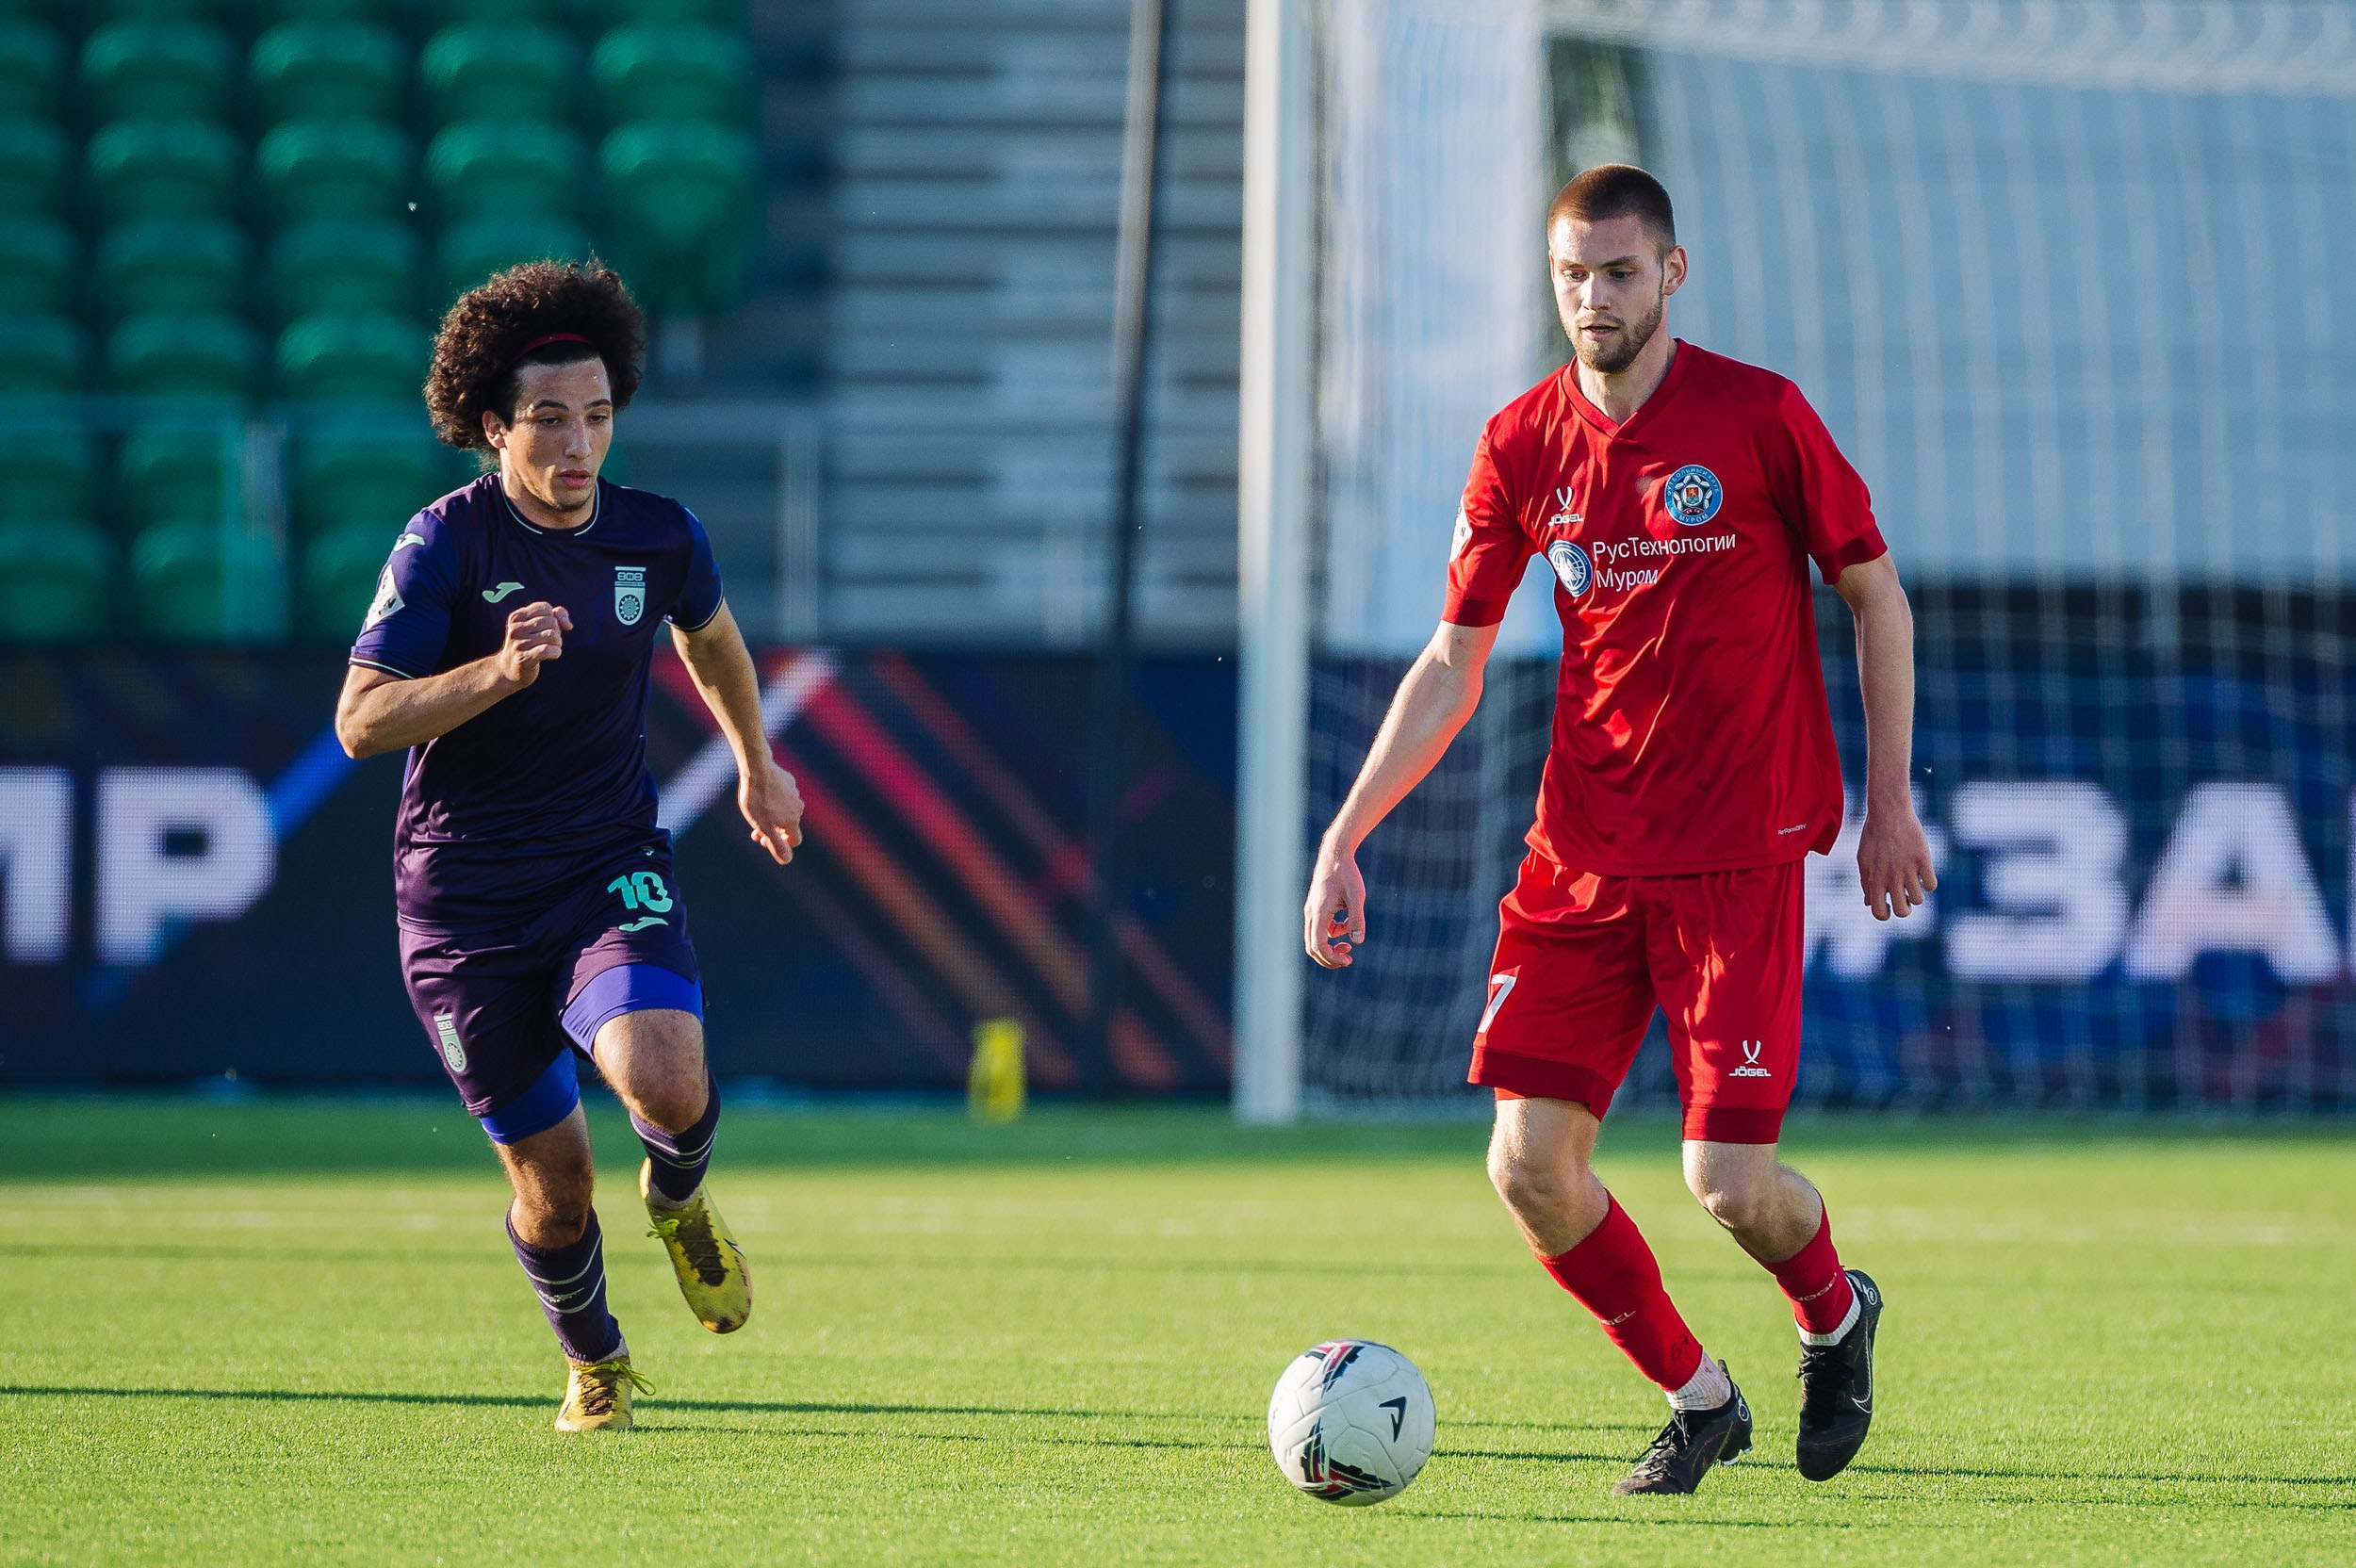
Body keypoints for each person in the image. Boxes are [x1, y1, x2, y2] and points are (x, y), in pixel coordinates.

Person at [1303, 165, 1935, 1495]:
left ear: (1673, 273)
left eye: (1621, 272)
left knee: (1729, 1183)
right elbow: (1451, 660)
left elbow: (1878, 600)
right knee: (1528, 1168)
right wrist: (1347, 831)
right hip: (1579, 859)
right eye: (1574, 276)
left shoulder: (1761, 417)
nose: (1596, 299)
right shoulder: (1521, 443)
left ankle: (1834, 1312)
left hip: (1735, 853)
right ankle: (1702, 1400)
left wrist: (1890, 803)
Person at [335, 261, 805, 1432]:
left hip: (604, 860)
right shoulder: (442, 543)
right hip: (463, 906)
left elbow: (714, 646)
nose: (577, 443)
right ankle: (594, 1358)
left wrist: (756, 760)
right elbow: (358, 721)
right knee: (555, 1187)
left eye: (596, 416)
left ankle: (682, 1197)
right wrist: (496, 669)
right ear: (491, 426)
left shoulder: (657, 537)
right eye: (547, 419)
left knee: (668, 1075)